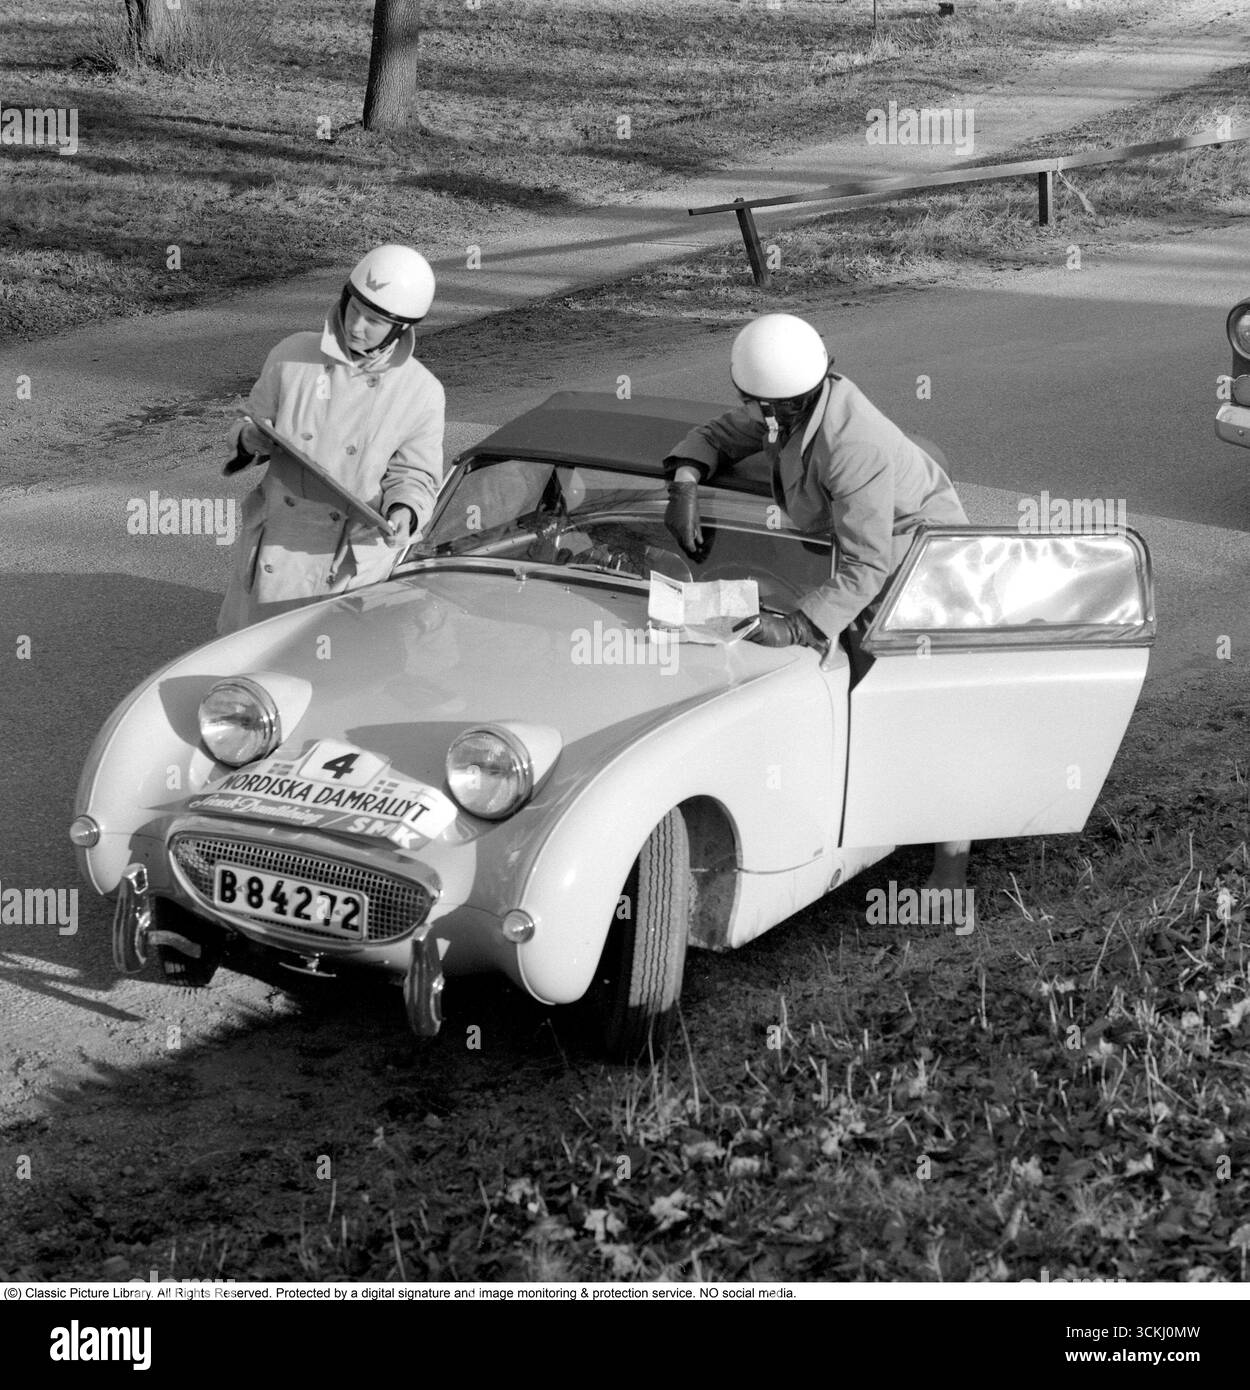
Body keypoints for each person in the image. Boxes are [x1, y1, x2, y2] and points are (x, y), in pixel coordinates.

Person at [662, 311, 972, 893]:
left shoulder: (853, 443)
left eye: (753, 403)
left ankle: (949, 865)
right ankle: (851, 817)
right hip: (854, 552)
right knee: (844, 684)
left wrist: (801, 624)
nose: (748, 410)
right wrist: (684, 482)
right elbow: (720, 434)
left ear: (779, 404)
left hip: (920, 563)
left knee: (917, 706)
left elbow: (868, 564)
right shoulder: (796, 405)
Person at [217, 243, 445, 634]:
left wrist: (405, 510)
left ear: (401, 327)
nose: (356, 326)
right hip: (278, 547)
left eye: (373, 320)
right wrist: (251, 438)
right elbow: (245, 424)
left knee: (334, 677)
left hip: (348, 562)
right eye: (353, 308)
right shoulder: (291, 355)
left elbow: (416, 476)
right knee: (254, 667)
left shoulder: (421, 391)